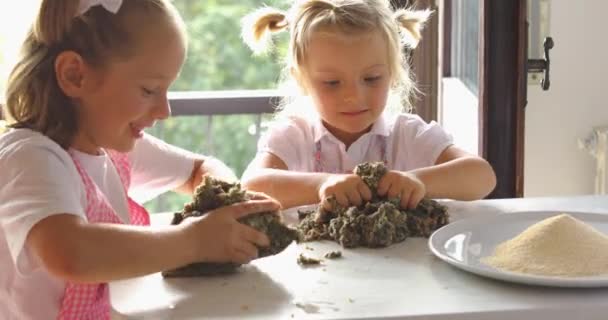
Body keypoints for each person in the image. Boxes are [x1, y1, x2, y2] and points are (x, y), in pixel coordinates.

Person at [0, 0, 278, 319]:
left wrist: (229, 202)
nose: (165, 111)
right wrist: (195, 241)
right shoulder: (29, 156)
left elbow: (199, 169)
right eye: (149, 90)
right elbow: (71, 252)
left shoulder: (114, 147)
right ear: (75, 75)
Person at [241, 0, 496, 211]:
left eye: (371, 79)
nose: (353, 96)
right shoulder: (294, 136)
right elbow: (251, 186)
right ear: (302, 80)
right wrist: (321, 185)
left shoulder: (407, 134)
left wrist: (418, 181)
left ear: (393, 73)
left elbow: (482, 177)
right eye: (332, 83)